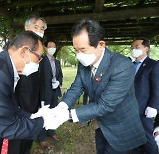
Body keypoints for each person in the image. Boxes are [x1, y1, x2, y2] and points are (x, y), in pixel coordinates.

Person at [44, 19, 147, 154]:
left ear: (101, 45)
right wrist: (60, 107)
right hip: (101, 124)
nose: (78, 55)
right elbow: (76, 87)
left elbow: (106, 105)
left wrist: (67, 115)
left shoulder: (122, 66)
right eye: (75, 50)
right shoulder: (84, 62)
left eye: (82, 49)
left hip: (121, 126)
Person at [0, 31, 54, 153]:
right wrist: (43, 121)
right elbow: (9, 127)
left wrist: (31, 116)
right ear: (24, 52)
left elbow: (9, 106)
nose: (39, 63)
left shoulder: (4, 66)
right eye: (39, 57)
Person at [7, 16, 47, 154]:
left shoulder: (40, 50)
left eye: (42, 28)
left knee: (27, 140)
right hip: (19, 103)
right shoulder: (16, 48)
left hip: (34, 101)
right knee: (17, 139)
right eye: (36, 27)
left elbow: (42, 78)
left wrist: (41, 100)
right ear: (26, 28)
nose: (40, 31)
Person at [131, 37, 159, 154]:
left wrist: (153, 106)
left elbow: (157, 87)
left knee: (147, 139)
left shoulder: (153, 65)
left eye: (137, 47)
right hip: (130, 109)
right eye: (132, 47)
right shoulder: (131, 65)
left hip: (144, 109)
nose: (134, 49)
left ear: (146, 48)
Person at [37, 40, 63, 150]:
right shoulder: (41, 62)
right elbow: (38, 79)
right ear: (46, 48)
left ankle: (51, 132)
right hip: (44, 93)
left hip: (54, 92)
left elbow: (60, 75)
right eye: (50, 46)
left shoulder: (57, 62)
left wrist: (58, 82)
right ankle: (42, 138)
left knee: (53, 113)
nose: (52, 48)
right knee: (44, 114)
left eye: (54, 46)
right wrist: (41, 97)